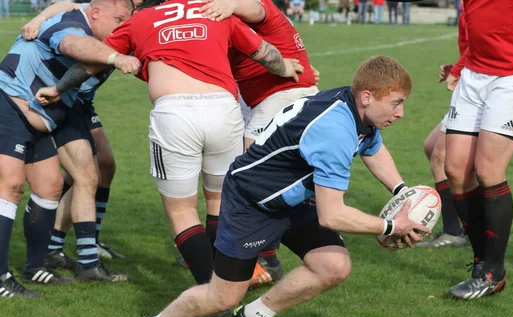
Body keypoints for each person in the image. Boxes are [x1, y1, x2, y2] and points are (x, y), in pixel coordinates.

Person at [127, 55, 430, 317]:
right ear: (367, 97)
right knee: (222, 298)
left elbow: (372, 148)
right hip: (251, 203)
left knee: (333, 266)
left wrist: (402, 192)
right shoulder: (334, 130)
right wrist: (392, 226)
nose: (401, 113)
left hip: (294, 199)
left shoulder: (357, 112)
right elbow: (332, 215)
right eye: (396, 103)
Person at [36, 0, 303, 290]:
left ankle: (212, 292)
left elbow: (90, 62)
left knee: (181, 211)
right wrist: (286, 65)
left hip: (175, 112)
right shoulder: (212, 10)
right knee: (218, 202)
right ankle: (224, 280)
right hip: (223, 109)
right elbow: (263, 51)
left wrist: (57, 88)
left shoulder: (141, 19)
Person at [0, 0, 138, 295]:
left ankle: (36, 267)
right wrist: (115, 57)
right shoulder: (69, 25)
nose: (123, 24)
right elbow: (74, 43)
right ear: (97, 12)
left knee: (50, 186)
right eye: (119, 18)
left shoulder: (105, 25)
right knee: (11, 186)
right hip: (10, 102)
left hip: (47, 117)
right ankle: (1, 277)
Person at [201, 0, 318, 287]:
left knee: (247, 177)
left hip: (282, 97)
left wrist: (230, 5)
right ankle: (259, 254)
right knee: (250, 179)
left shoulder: (254, 9)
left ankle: (257, 256)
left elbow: (258, 8)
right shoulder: (231, 24)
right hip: (263, 99)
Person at [444, 0, 513, 299]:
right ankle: (480, 263)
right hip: (475, 74)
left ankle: (494, 271)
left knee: (488, 169)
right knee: (455, 169)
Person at [416, 10, 467, 249]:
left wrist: (459, 70)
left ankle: (453, 231)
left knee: (441, 158)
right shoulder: (468, 7)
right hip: (471, 84)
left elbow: (486, 46)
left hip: (479, 89)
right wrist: (458, 68)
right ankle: (467, 222)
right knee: (431, 147)